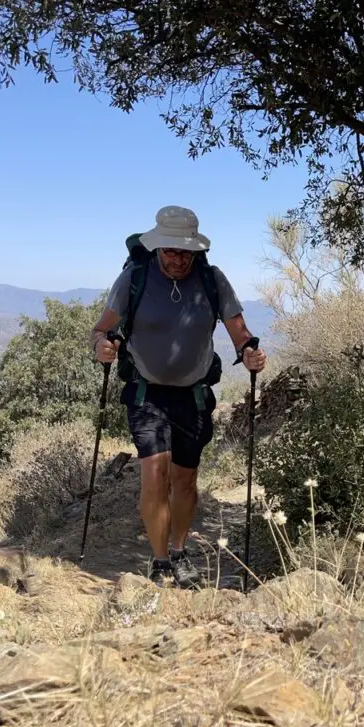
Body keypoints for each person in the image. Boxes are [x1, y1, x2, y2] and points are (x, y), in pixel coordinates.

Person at [90, 205, 267, 588]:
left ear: (197, 251)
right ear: (156, 248)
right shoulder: (133, 278)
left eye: (185, 252)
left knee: (185, 480)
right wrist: (102, 345)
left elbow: (240, 332)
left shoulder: (212, 279)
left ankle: (179, 550)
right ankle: (159, 561)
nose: (178, 259)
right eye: (170, 251)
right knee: (155, 472)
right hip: (146, 392)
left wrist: (250, 352)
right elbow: (101, 329)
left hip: (194, 395)